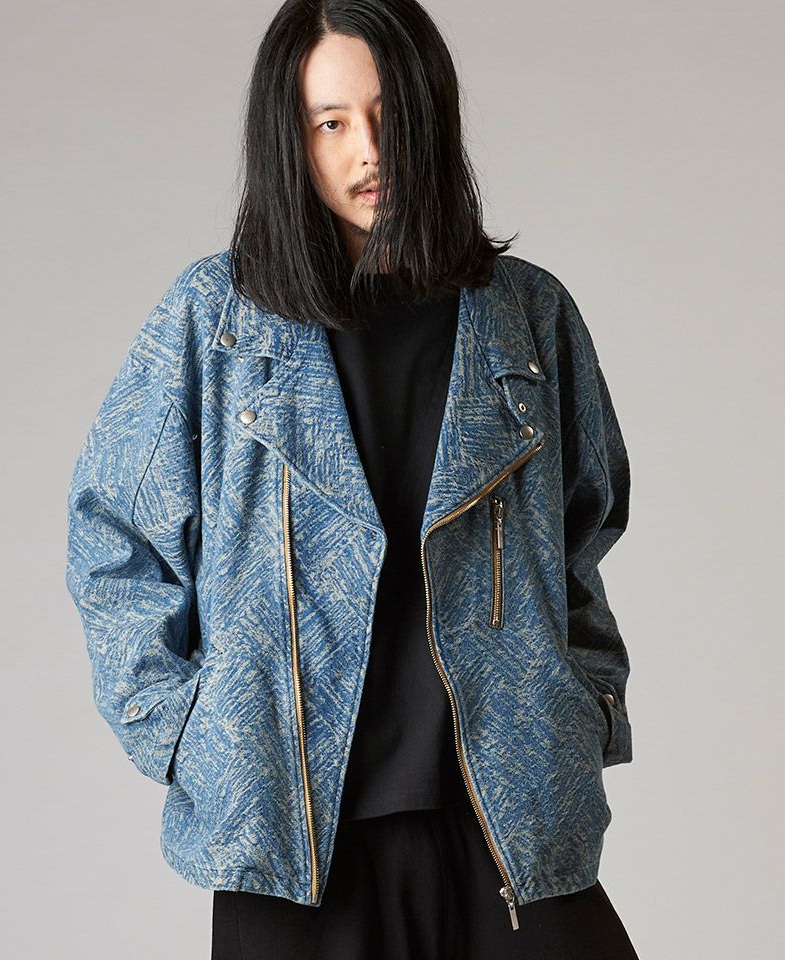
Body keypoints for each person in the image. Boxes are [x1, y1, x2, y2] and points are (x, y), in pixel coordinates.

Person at [66, 1, 639, 957]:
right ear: (289, 141)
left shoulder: (526, 314)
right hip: (294, 837)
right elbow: (111, 538)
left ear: (430, 112)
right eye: (329, 123)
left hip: (507, 814)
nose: (368, 151)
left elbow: (588, 521)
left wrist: (582, 702)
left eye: (387, 114)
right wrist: (187, 732)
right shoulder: (216, 318)